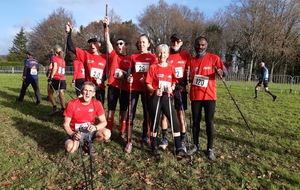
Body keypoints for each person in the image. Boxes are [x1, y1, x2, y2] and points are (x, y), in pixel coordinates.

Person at [187, 36, 227, 161]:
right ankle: (195, 145)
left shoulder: (214, 58)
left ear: (207, 45)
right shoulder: (191, 61)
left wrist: (221, 72)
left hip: (209, 96)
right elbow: (188, 78)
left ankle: (209, 149)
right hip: (195, 96)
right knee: (195, 122)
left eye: (203, 45)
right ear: (194, 45)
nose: (200, 47)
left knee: (209, 121)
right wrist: (187, 78)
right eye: (198, 45)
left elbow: (225, 72)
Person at [146, 44, 186, 158]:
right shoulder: (153, 67)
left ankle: (178, 147)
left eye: (164, 53)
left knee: (175, 122)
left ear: (168, 54)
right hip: (155, 97)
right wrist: (154, 90)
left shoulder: (171, 67)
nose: (162, 55)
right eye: (159, 52)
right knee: (154, 122)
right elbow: (148, 84)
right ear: (157, 54)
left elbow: (173, 82)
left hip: (167, 98)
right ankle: (153, 147)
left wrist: (172, 88)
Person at [159, 34, 191, 151]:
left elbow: (190, 71)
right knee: (165, 115)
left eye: (177, 41)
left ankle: (182, 139)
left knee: (180, 115)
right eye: (173, 41)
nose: (175, 43)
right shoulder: (166, 54)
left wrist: (184, 82)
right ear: (170, 42)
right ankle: (164, 137)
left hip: (180, 90)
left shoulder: (186, 55)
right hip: (167, 89)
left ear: (181, 42)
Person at [102, 17, 131, 143]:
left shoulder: (130, 58)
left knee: (123, 112)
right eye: (117, 44)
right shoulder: (113, 55)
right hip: (113, 86)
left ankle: (122, 132)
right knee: (111, 111)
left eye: (121, 43)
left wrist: (126, 76)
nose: (118, 45)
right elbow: (107, 42)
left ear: (126, 46)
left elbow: (132, 74)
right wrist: (106, 27)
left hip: (125, 88)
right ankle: (109, 131)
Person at [63, 82, 111, 155]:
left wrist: (95, 127)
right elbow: (66, 125)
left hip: (89, 131)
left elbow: (104, 122)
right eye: (85, 90)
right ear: (81, 91)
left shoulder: (97, 103)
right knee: (70, 149)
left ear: (94, 93)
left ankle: (89, 144)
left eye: (90, 91)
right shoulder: (72, 104)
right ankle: (78, 144)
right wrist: (73, 134)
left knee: (107, 133)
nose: (88, 93)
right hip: (75, 132)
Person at [127, 34, 157, 150]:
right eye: (139, 42)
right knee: (131, 112)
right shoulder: (133, 56)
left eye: (144, 42)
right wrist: (129, 77)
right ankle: (129, 138)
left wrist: (147, 78)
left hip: (146, 88)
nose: (141, 44)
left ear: (148, 44)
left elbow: (154, 72)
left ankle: (146, 136)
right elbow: (130, 71)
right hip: (134, 87)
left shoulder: (153, 57)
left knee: (147, 113)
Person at [65, 22, 107, 105]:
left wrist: (101, 80)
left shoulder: (105, 57)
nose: (92, 45)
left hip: (100, 87)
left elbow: (108, 73)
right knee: (86, 105)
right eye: (90, 43)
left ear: (99, 44)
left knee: (99, 106)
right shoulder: (85, 55)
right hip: (88, 87)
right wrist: (69, 33)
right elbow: (70, 47)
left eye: (94, 43)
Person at [48, 45, 67, 115]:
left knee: (50, 93)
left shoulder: (55, 58)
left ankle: (55, 108)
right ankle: (63, 108)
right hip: (63, 78)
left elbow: (55, 67)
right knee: (61, 93)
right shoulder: (63, 59)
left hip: (56, 78)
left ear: (55, 51)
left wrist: (51, 77)